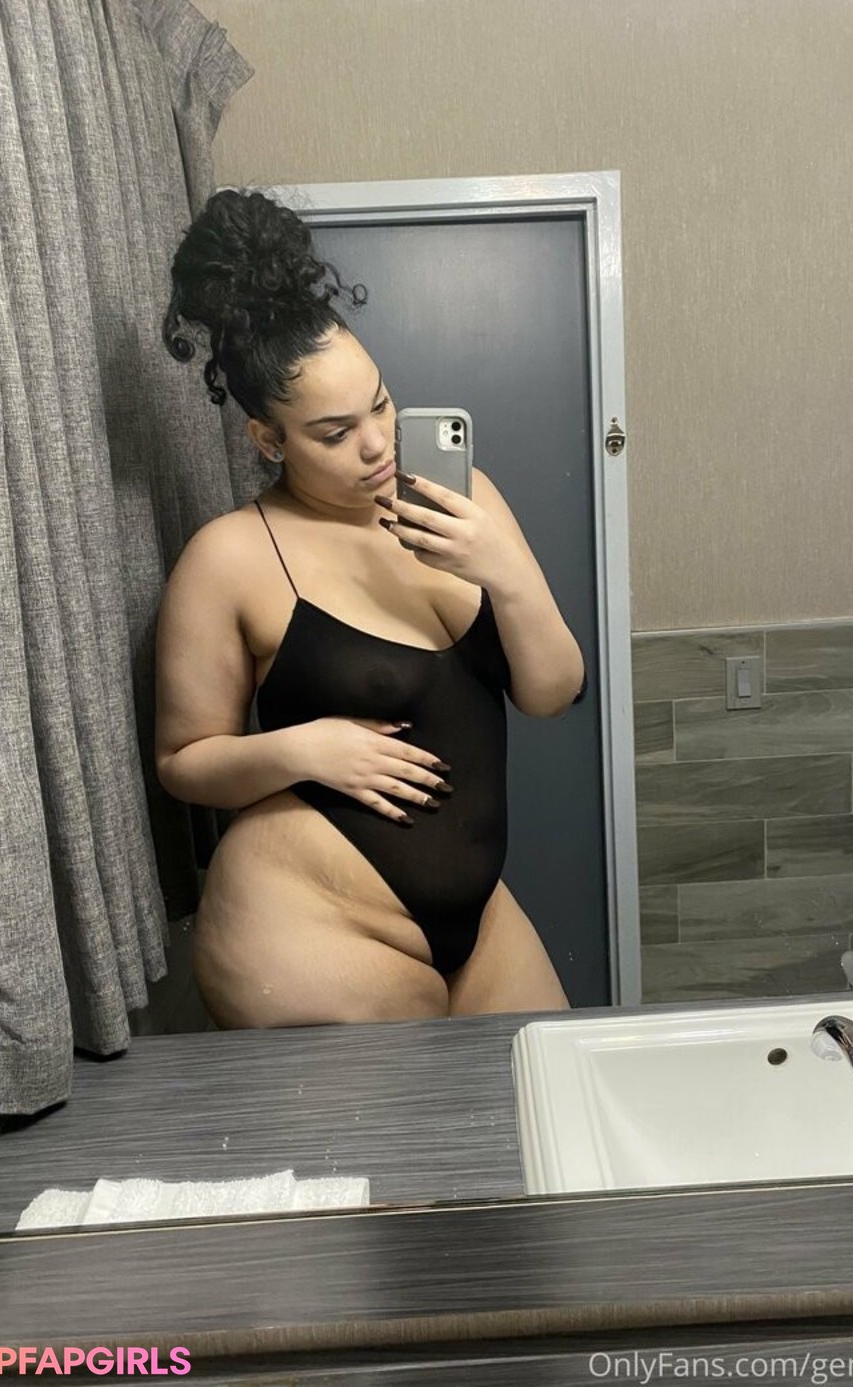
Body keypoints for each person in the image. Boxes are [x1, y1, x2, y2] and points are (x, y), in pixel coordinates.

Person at [155, 188, 584, 1029]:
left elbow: (552, 692)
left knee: (548, 1099)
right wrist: (306, 749)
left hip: (480, 918)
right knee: (409, 1124)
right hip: (306, 921)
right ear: (268, 440)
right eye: (334, 431)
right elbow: (182, 761)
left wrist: (506, 571)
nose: (377, 443)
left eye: (381, 403)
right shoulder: (229, 558)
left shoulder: (466, 500)